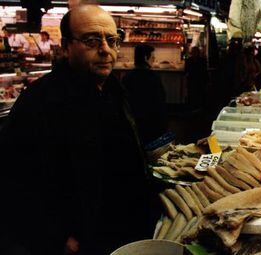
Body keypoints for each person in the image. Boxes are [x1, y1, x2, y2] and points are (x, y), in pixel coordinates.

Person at [0, 5, 156, 255]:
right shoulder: (41, 101)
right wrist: (56, 236)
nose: (105, 50)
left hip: (120, 229)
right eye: (91, 40)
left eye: (112, 40)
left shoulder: (115, 91)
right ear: (66, 46)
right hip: (78, 240)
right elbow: (13, 180)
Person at [122, 44, 167, 145]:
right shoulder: (153, 78)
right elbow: (160, 104)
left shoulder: (127, 77)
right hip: (151, 127)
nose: (154, 59)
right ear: (146, 58)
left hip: (132, 128)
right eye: (152, 57)